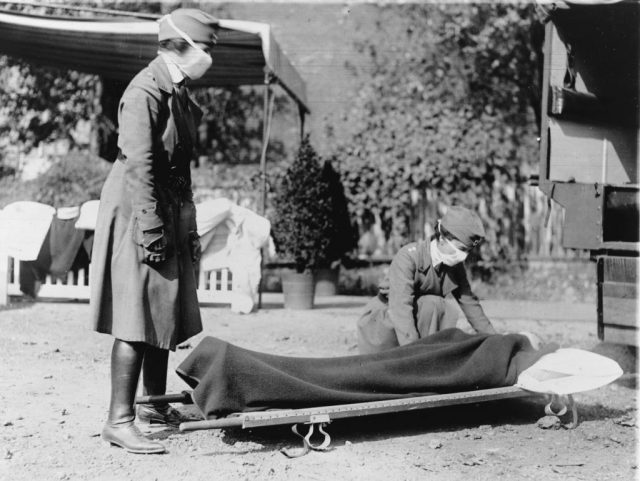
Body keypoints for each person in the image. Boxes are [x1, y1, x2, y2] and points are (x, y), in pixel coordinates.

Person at [89, 8, 219, 454]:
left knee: (162, 307)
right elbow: (139, 167)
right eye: (207, 48)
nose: (210, 58)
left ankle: (152, 403)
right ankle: (118, 420)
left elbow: (180, 165)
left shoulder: (179, 92)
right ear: (179, 44)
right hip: (137, 208)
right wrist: (151, 228)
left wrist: (189, 223)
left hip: (167, 205)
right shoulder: (144, 90)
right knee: (136, 313)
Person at [357, 206, 497, 354]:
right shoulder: (409, 257)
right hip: (385, 322)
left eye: (467, 251)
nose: (464, 256)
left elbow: (470, 303)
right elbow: (400, 309)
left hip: (415, 321)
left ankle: (428, 356)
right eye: (461, 249)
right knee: (433, 304)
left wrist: (495, 340)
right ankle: (420, 358)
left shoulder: (455, 266)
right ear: (442, 239)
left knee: (439, 306)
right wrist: (414, 354)